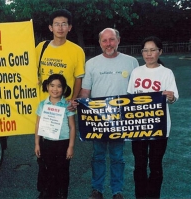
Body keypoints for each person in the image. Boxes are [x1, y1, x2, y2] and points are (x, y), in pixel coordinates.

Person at [75, 28, 139, 199]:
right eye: (105, 40)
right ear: (99, 43)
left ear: (118, 40)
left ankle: (117, 191)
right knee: (98, 156)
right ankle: (97, 189)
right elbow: (85, 91)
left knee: (118, 157)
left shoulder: (131, 62)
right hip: (98, 120)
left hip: (121, 119)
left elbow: (137, 91)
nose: (108, 44)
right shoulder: (92, 64)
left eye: (112, 39)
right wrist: (81, 108)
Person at [35, 9, 85, 198]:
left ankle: (61, 192)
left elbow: (78, 77)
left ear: (69, 27)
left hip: (64, 110)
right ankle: (46, 191)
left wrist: (74, 99)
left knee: (63, 157)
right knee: (44, 156)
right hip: (45, 108)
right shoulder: (41, 47)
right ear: (50, 27)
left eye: (64, 24)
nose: (60, 27)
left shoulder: (76, 50)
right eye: (57, 23)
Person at [127, 36, 179, 199]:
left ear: (160, 52)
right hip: (139, 125)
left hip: (159, 126)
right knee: (140, 164)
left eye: (153, 50)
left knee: (155, 164)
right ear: (142, 52)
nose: (149, 54)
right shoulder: (136, 72)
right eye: (145, 50)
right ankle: (140, 195)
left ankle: (154, 195)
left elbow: (173, 97)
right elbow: (130, 97)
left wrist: (170, 97)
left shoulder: (166, 73)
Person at [35, 74, 76, 198]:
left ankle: (61, 194)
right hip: (46, 142)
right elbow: (38, 125)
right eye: (52, 85)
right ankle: (47, 193)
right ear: (47, 87)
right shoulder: (42, 105)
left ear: (63, 89)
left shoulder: (67, 105)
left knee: (62, 171)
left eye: (59, 86)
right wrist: (37, 143)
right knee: (46, 170)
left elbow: (72, 127)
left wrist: (71, 146)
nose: (55, 89)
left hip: (63, 143)